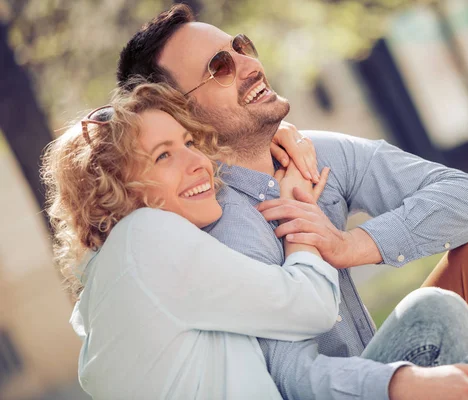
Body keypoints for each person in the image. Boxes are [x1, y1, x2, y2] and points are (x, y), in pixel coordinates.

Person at [115, 4, 468, 397]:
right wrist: (404, 381)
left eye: (240, 47)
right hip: (354, 389)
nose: (250, 65)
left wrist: (356, 244)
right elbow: (293, 379)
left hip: (385, 355)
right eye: (220, 67)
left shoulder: (314, 154)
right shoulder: (209, 223)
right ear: (178, 111)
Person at [42, 82, 340, 399]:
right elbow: (313, 305)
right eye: (164, 155)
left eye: (189, 143)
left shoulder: (107, 286)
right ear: (115, 191)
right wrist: (297, 205)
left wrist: (267, 134)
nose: (199, 162)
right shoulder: (146, 235)